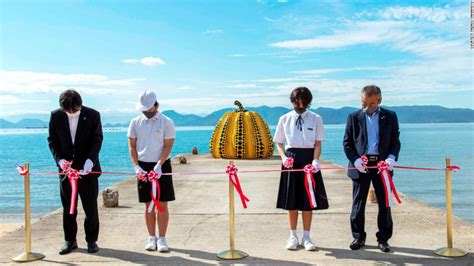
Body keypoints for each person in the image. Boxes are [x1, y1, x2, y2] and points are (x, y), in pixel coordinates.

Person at [343, 85, 401, 253]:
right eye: (364, 102)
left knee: (384, 204)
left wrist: (391, 158)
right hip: (361, 166)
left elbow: (395, 141)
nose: (367, 106)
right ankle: (358, 236)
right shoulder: (353, 117)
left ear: (379, 100)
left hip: (382, 166)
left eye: (372, 102)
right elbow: (347, 143)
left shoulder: (390, 116)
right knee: (358, 204)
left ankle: (383, 238)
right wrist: (355, 160)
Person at [47, 89, 103, 255]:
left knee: (90, 207)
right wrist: (60, 161)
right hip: (66, 171)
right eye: (68, 111)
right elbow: (52, 140)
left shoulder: (93, 115)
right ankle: (70, 240)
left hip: (88, 170)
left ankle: (91, 240)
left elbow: (97, 139)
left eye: (75, 110)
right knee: (68, 208)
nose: (71, 113)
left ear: (80, 104)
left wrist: (89, 161)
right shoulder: (55, 116)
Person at [273, 87, 329, 251]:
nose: (300, 106)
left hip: (309, 161)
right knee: (292, 201)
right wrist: (283, 158)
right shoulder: (284, 118)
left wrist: (315, 160)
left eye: (303, 104)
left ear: (308, 103)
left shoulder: (316, 118)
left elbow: (318, 144)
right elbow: (279, 143)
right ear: (292, 102)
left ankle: (306, 237)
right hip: (291, 160)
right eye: (297, 104)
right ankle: (292, 236)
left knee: (307, 201)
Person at [127, 90, 176, 252]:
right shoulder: (135, 122)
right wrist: (136, 166)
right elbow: (132, 146)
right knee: (148, 204)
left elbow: (168, 145)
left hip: (161, 166)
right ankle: (151, 237)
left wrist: (159, 164)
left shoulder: (166, 122)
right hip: (143, 166)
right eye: (144, 109)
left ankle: (162, 238)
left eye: (149, 108)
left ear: (156, 105)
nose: (146, 112)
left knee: (162, 204)